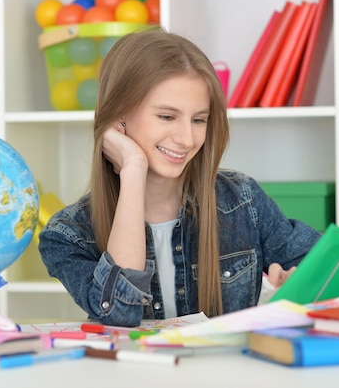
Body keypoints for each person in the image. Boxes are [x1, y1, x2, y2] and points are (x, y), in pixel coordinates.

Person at [38, 28, 321, 327]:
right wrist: (133, 170)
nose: (187, 139)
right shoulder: (68, 234)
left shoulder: (243, 201)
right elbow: (120, 313)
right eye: (167, 116)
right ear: (119, 116)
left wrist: (300, 285)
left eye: (199, 120)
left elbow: (333, 270)